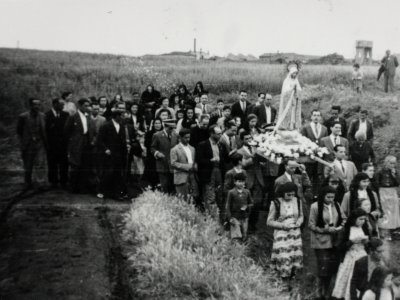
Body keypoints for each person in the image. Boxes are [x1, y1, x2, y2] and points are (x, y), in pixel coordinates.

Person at [309, 186, 346, 300]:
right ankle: (318, 292)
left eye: (332, 197)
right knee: (323, 267)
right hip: (321, 241)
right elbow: (311, 225)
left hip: (334, 241)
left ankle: (327, 291)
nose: (330, 199)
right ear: (323, 196)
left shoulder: (337, 205)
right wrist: (324, 230)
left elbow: (344, 219)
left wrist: (339, 228)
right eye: (328, 197)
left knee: (331, 267)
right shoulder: (315, 206)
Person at [267, 182, 304, 280]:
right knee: (284, 255)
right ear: (283, 193)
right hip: (282, 232)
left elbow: (301, 216)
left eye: (293, 194)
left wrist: (299, 222)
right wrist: (283, 225)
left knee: (294, 255)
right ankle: (282, 278)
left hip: (295, 232)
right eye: (288, 194)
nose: (291, 196)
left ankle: (292, 278)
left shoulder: (297, 201)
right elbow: (269, 221)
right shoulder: (276, 203)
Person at [332, 208, 369, 300]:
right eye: (360, 219)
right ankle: (345, 295)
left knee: (361, 277)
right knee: (348, 276)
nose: (362, 221)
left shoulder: (364, 228)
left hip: (362, 255)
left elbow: (369, 241)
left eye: (364, 219)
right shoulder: (346, 229)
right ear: (353, 219)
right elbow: (339, 246)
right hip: (350, 255)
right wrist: (351, 242)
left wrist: (366, 241)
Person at [96, 108, 132, 200]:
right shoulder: (106, 126)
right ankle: (101, 191)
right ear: (116, 116)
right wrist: (105, 149)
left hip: (119, 155)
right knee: (108, 173)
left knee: (118, 174)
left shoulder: (122, 126)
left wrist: (125, 152)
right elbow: (99, 140)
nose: (123, 117)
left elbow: (123, 141)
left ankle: (117, 194)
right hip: (109, 155)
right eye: (121, 116)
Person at [17, 98, 48, 189]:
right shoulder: (23, 116)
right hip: (28, 143)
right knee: (28, 164)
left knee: (41, 162)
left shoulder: (43, 116)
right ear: (30, 105)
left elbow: (44, 130)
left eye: (39, 104)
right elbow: (19, 131)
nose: (37, 106)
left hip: (40, 143)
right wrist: (24, 141)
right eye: (35, 104)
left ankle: (40, 183)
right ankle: (27, 182)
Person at [237, 131, 264, 232]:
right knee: (247, 203)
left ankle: (254, 224)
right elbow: (242, 165)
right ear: (242, 140)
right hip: (248, 180)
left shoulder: (256, 148)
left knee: (257, 203)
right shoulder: (239, 152)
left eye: (250, 138)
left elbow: (263, 160)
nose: (249, 140)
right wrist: (252, 157)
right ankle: (245, 225)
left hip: (258, 179)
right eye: (246, 139)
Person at [64, 98, 93, 193]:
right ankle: (73, 187)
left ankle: (83, 187)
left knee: (85, 165)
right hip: (76, 143)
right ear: (80, 106)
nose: (87, 108)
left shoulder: (88, 116)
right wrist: (72, 142)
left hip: (86, 142)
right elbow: (67, 131)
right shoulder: (73, 117)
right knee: (76, 165)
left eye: (88, 106)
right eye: (85, 106)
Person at [196, 125, 223, 214]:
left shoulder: (220, 145)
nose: (220, 135)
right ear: (211, 134)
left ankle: (218, 217)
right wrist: (211, 160)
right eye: (218, 134)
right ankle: (211, 219)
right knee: (209, 196)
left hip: (218, 171)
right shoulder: (203, 144)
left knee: (219, 195)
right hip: (208, 172)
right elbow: (199, 160)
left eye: (221, 133)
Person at [45, 98, 69, 189]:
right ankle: (53, 182)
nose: (63, 106)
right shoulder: (47, 115)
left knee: (64, 163)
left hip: (63, 144)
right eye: (61, 104)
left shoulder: (65, 115)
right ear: (55, 104)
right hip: (52, 145)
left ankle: (64, 181)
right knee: (52, 163)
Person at [150, 119, 179, 193]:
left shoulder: (175, 135)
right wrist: (157, 153)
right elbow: (152, 148)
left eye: (173, 128)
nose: (172, 130)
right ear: (165, 126)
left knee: (173, 187)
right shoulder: (157, 135)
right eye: (170, 128)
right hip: (162, 164)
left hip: (173, 165)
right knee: (164, 186)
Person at [170, 128, 198, 201]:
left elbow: (193, 161)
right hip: (181, 177)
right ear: (180, 137)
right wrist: (187, 166)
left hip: (192, 176)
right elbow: (173, 163)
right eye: (186, 137)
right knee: (182, 199)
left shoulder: (192, 148)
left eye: (189, 137)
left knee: (193, 197)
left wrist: (194, 165)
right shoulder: (175, 149)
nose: (188, 139)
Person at [376, 156, 400, 240]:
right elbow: (377, 183)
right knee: (385, 211)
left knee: (393, 211)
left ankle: (393, 231)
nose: (392, 165)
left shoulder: (395, 172)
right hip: (383, 191)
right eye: (391, 163)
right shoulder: (380, 172)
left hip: (392, 191)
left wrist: (394, 175)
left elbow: (398, 183)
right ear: (386, 162)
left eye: (394, 163)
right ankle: (384, 232)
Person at [225, 172, 253, 242]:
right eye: (239, 181)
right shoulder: (231, 192)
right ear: (235, 182)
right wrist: (229, 217)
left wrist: (247, 207)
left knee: (244, 235)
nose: (241, 183)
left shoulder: (247, 192)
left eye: (242, 181)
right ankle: (236, 249)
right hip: (235, 217)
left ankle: (243, 248)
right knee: (236, 236)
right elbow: (227, 205)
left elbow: (251, 203)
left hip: (244, 217)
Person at [278, 64, 302, 130]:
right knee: (288, 113)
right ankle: (286, 126)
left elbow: (299, 90)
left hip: (294, 100)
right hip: (288, 101)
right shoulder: (286, 81)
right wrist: (292, 89)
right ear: (291, 73)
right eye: (294, 73)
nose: (295, 75)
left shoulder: (296, 81)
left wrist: (297, 90)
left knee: (293, 114)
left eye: (296, 73)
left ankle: (293, 126)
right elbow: (284, 92)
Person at [143, 117, 163, 188]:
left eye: (159, 123)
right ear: (153, 124)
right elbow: (146, 144)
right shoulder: (149, 133)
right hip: (152, 156)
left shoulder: (164, 132)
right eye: (156, 123)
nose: (157, 125)